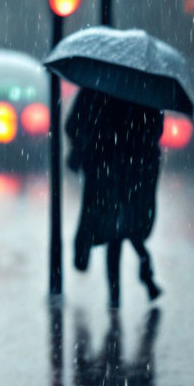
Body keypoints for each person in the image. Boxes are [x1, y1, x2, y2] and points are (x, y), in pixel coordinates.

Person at [66, 87, 164, 307]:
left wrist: (92, 144)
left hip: (107, 171)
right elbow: (154, 131)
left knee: (114, 229)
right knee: (123, 228)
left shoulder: (97, 87)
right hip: (130, 172)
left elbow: (73, 124)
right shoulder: (143, 91)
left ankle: (116, 296)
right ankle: (132, 282)